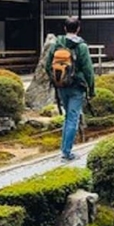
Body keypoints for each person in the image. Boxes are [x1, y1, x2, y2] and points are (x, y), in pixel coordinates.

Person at [45, 17, 95, 162]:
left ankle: (64, 149)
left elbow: (47, 64)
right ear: (78, 28)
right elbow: (88, 69)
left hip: (61, 85)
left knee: (68, 117)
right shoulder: (81, 46)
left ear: (65, 28)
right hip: (76, 86)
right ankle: (66, 153)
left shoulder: (57, 44)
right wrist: (91, 89)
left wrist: (55, 79)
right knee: (73, 117)